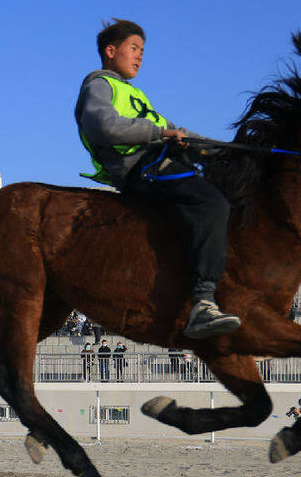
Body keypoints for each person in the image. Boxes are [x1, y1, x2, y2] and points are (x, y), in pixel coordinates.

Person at [75, 19, 240, 340]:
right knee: (211, 202)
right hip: (140, 168)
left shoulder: (136, 94)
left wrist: (223, 150)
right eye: (133, 49)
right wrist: (161, 133)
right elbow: (103, 127)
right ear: (111, 51)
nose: (139, 57)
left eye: (142, 51)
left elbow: (180, 132)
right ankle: (203, 303)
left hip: (160, 158)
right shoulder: (98, 86)